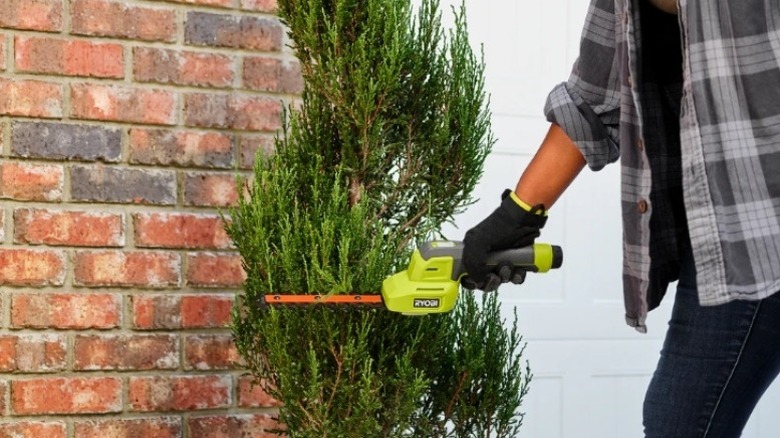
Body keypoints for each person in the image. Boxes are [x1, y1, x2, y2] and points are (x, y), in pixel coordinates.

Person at [460, 0, 780, 436]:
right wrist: (515, 215)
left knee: (682, 422)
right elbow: (591, 102)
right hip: (718, 234)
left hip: (763, 227)